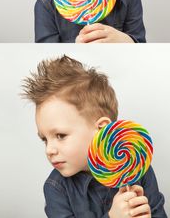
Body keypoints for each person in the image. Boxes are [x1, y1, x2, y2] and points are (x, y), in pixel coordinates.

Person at [22, 55, 166, 217]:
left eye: (60, 135)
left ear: (101, 129)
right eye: (44, 139)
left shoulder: (137, 167)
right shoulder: (56, 188)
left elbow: (158, 212)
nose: (49, 150)